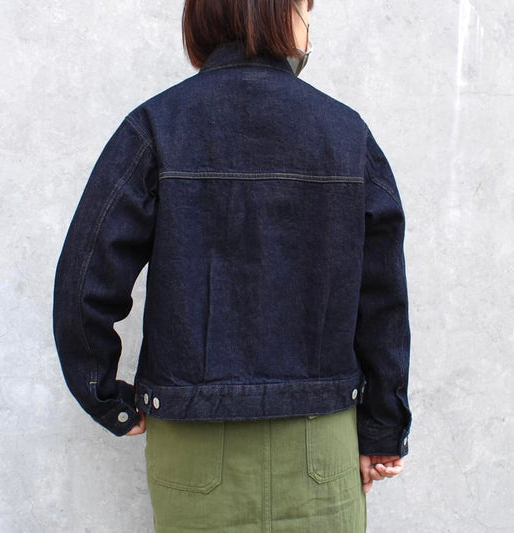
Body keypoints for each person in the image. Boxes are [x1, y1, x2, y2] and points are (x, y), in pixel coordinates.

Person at [52, 0, 411, 530]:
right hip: (321, 447)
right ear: (278, 12)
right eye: (305, 10)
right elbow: (382, 300)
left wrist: (107, 397)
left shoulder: (157, 126)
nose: (309, 28)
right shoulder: (346, 134)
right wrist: (382, 429)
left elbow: (83, 279)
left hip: (191, 448)